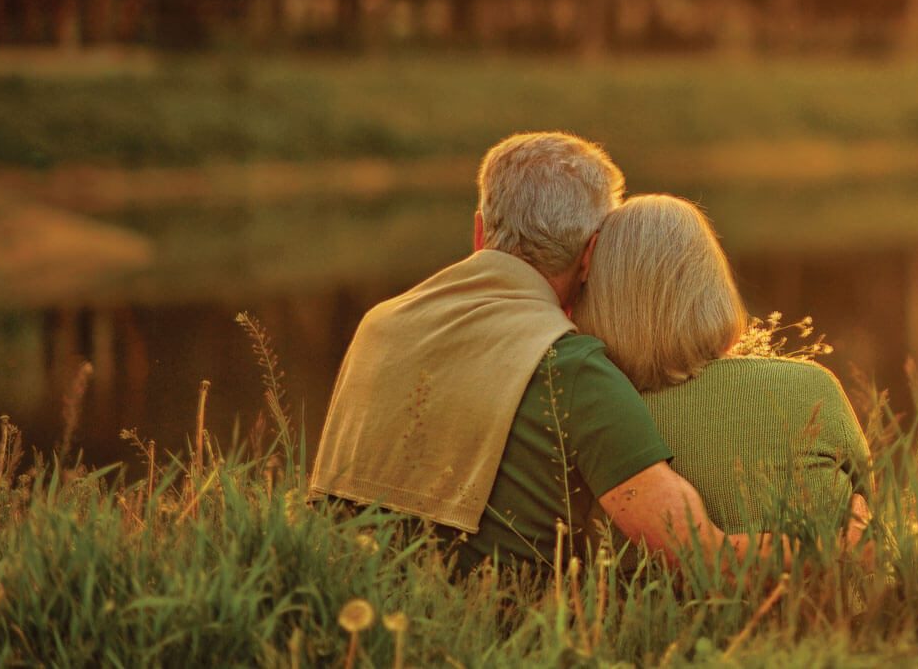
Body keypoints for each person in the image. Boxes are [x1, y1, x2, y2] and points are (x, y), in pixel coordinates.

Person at [310, 132, 853, 571]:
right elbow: (699, 554)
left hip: (357, 604)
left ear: (480, 233)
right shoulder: (569, 366)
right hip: (502, 631)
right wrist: (845, 544)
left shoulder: (378, 323)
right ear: (593, 255)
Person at [574, 194, 870, 536]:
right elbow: (866, 505)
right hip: (823, 587)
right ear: (713, 284)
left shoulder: (592, 417)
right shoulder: (812, 387)